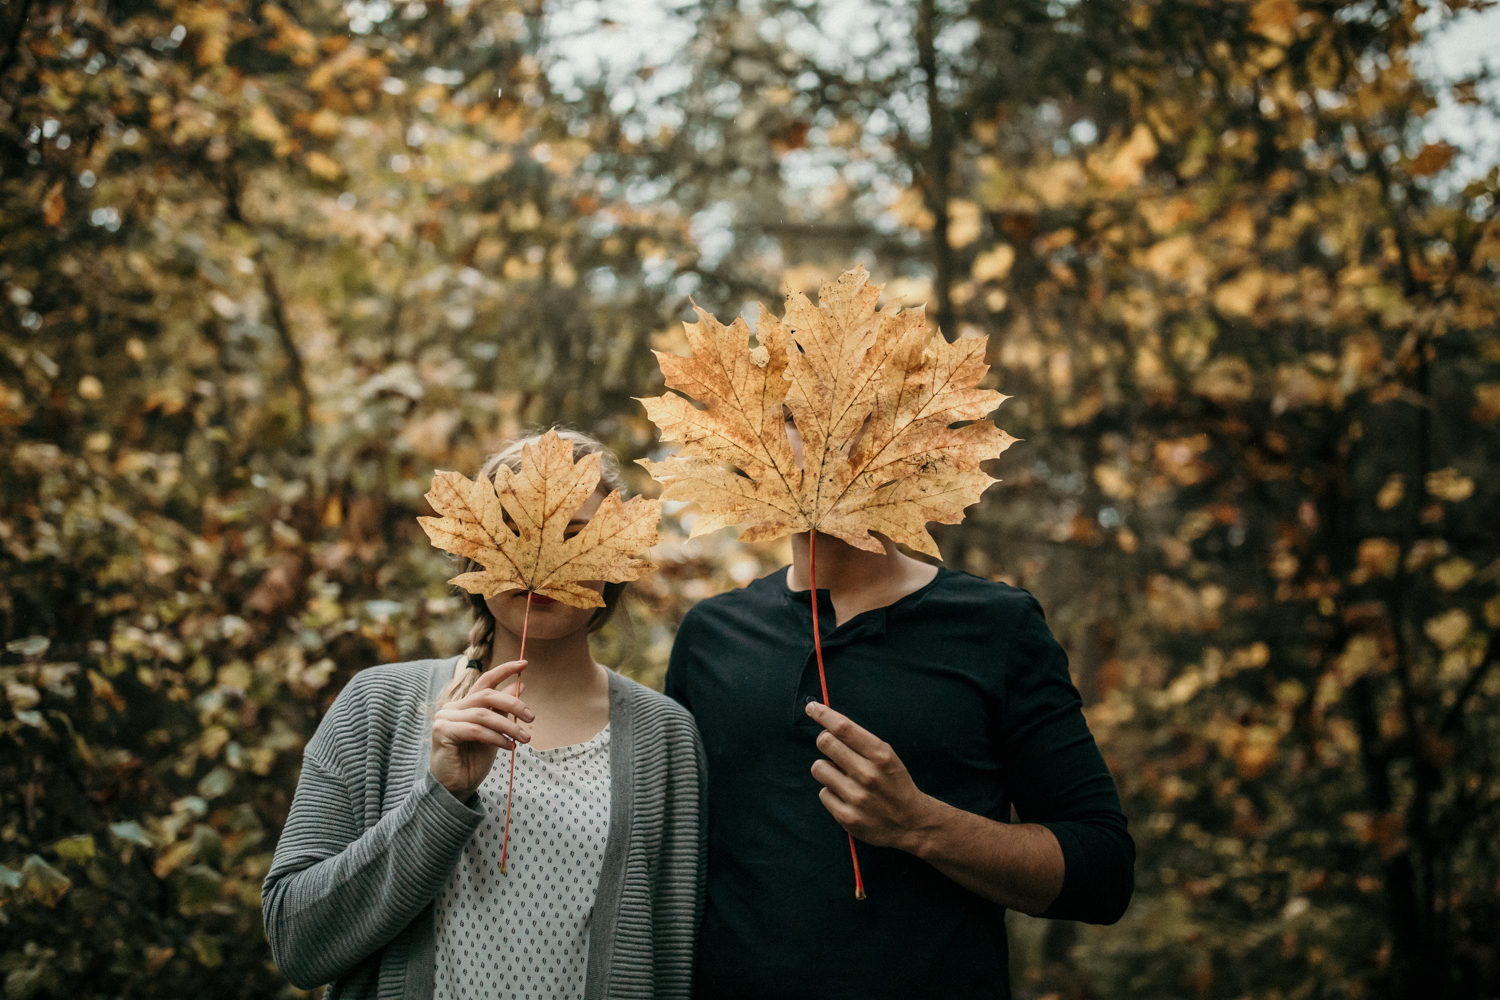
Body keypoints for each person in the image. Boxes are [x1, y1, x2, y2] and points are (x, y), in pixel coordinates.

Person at [666, 432, 1133, 1000]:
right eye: (793, 407)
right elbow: (666, 861)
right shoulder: (710, 636)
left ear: (905, 432)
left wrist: (921, 824)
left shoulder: (997, 628)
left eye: (858, 410)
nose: (823, 425)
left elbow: (1102, 873)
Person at [263, 430, 705, 1000]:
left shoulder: (663, 737)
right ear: (476, 547)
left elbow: (673, 964)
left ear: (615, 559)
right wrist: (438, 798)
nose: (542, 559)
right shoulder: (378, 706)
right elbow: (296, 943)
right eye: (515, 533)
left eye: (575, 538)